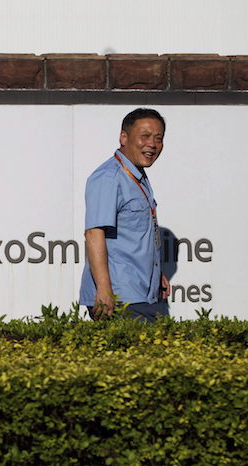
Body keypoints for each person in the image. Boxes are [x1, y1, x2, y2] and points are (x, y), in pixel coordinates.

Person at [79, 108, 171, 322]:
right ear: (124, 137)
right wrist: (104, 289)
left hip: (140, 293)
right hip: (119, 296)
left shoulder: (139, 176)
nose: (153, 144)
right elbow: (94, 233)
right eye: (145, 136)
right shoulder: (109, 177)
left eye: (159, 138)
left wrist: (157, 274)